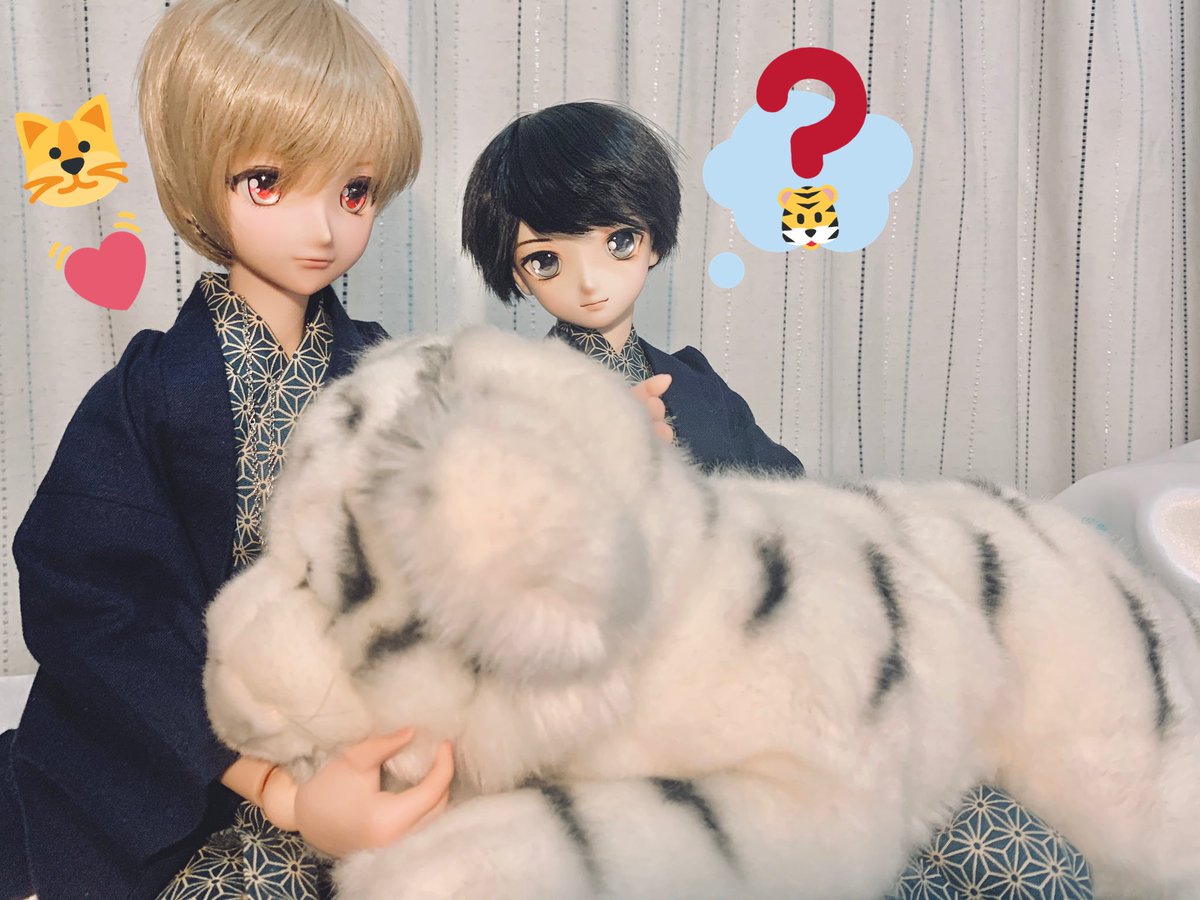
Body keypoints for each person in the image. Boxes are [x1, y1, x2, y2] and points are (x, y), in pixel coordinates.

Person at [0, 2, 452, 897]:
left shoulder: (384, 368)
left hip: (353, 731)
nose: (324, 229)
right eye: (270, 181)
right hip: (190, 755)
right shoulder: (154, 392)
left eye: (354, 192)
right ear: (201, 180)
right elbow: (91, 600)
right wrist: (274, 787)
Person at [462, 100, 805, 477]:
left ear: (653, 242)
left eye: (619, 242)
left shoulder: (698, 383)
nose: (589, 281)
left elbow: (786, 481)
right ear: (518, 275)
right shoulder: (513, 397)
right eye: (545, 260)